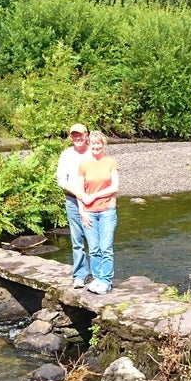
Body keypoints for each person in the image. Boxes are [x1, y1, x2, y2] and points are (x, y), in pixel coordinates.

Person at [74, 131, 119, 294]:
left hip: (107, 211)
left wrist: (94, 196)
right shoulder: (84, 165)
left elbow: (114, 187)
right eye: (93, 144)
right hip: (89, 212)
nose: (96, 146)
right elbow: (79, 191)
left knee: (106, 248)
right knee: (93, 249)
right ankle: (98, 278)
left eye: (99, 143)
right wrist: (82, 212)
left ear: (103, 145)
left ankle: (106, 281)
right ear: (89, 145)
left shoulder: (110, 162)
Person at [55, 123, 92, 288]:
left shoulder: (93, 152)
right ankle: (80, 274)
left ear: (86, 135)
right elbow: (61, 181)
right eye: (74, 135)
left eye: (80, 135)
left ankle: (98, 275)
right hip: (72, 200)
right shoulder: (66, 155)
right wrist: (78, 194)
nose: (77, 138)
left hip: (93, 201)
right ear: (71, 137)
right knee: (77, 240)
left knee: (94, 240)